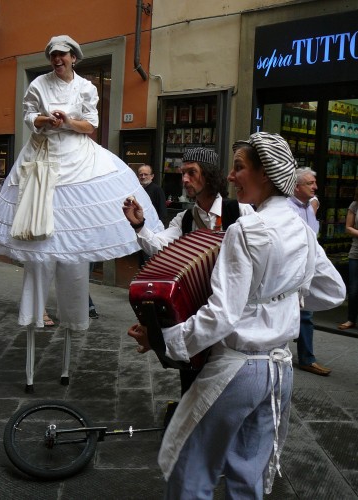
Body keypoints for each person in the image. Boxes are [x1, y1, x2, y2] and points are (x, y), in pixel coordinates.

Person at [128, 132, 346, 498]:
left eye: (239, 168)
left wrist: (163, 342)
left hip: (237, 369)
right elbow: (332, 291)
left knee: (191, 468)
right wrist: (279, 300)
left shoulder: (245, 228)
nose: (231, 176)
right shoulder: (301, 227)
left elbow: (221, 315)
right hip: (280, 370)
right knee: (247, 475)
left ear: (265, 174)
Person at [0, 35, 162, 392]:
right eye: (52, 56)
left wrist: (66, 121)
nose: (56, 60)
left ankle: (71, 333)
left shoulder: (85, 88)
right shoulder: (38, 83)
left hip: (79, 162)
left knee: (75, 247)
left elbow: (90, 126)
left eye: (61, 55)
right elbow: (28, 116)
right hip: (42, 162)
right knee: (38, 247)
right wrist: (43, 120)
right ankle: (34, 327)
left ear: (73, 58)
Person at [124, 147, 254, 396]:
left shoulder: (240, 212)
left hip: (234, 313)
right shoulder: (184, 219)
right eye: (183, 173)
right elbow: (160, 246)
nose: (184, 179)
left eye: (191, 172)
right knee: (191, 379)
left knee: (226, 383)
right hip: (197, 310)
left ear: (210, 175)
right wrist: (139, 225)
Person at [287, 167, 331, 376]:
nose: (315, 187)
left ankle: (306, 357)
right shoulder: (289, 207)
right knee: (296, 312)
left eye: (314, 183)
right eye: (310, 183)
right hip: (292, 269)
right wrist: (312, 208)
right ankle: (301, 357)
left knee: (306, 313)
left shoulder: (308, 205)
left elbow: (313, 234)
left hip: (307, 267)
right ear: (296, 187)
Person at [338, 186, 358, 330]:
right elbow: (348, 227)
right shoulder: (355, 205)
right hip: (356, 252)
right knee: (354, 288)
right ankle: (351, 319)